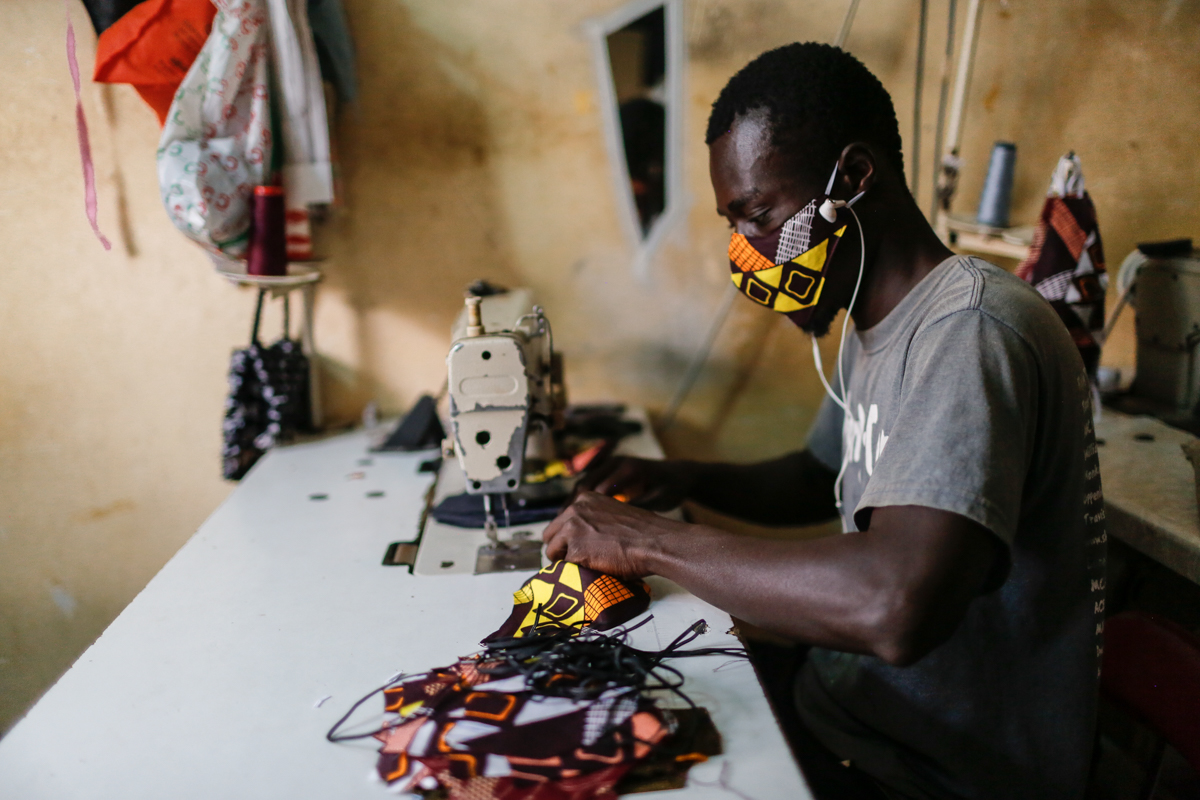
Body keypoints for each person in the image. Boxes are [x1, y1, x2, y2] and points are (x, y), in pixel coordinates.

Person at [543, 43, 1106, 800]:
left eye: (758, 216)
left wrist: (649, 541)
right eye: (734, 225)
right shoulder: (874, 320)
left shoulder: (969, 329)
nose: (745, 253)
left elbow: (892, 604)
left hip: (936, 769)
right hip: (852, 705)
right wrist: (679, 478)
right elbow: (820, 475)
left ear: (855, 176)